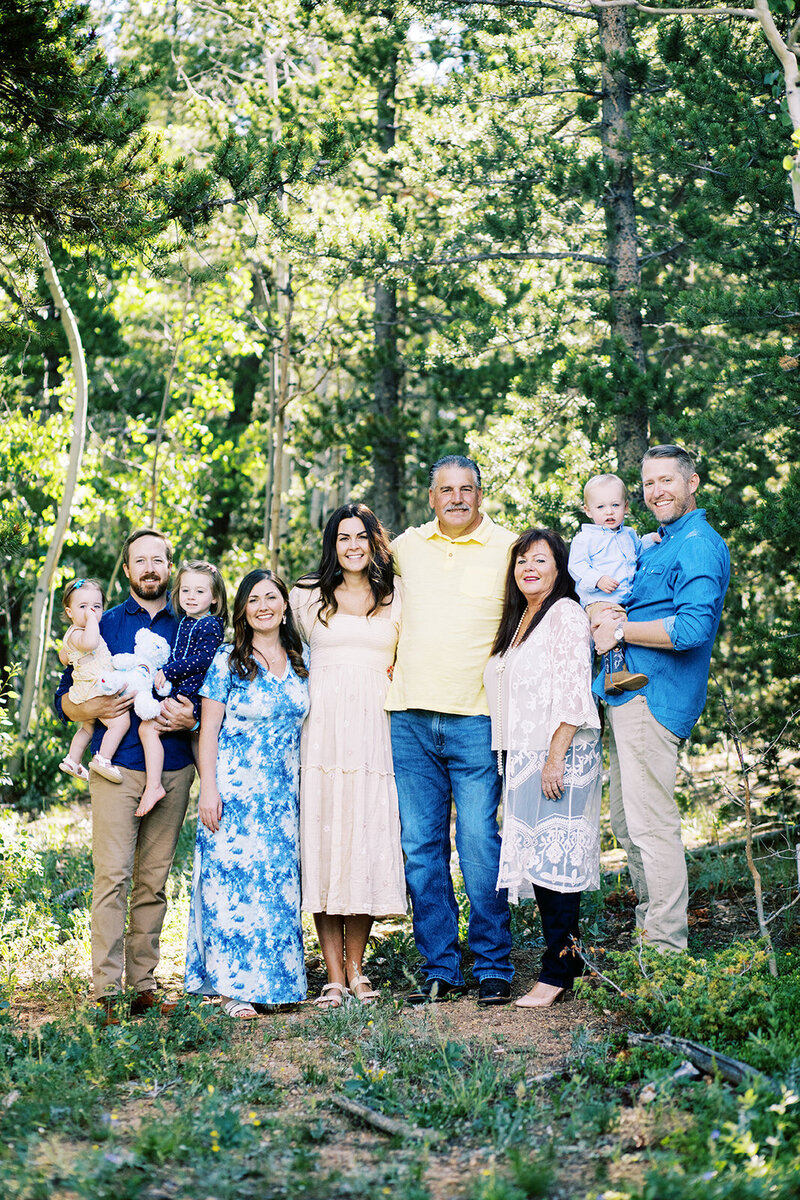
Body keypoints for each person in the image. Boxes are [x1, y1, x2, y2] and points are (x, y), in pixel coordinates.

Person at [387, 455, 516, 1006]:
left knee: (481, 844)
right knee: (421, 847)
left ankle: (493, 965)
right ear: (431, 498)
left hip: (478, 718)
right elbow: (343, 576)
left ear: (481, 495)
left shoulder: (509, 547)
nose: (457, 499)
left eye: (467, 489)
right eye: (446, 490)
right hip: (410, 716)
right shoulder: (406, 548)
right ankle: (441, 965)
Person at [592, 445, 730, 953]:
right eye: (648, 484)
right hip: (625, 695)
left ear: (692, 482)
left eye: (667, 480)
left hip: (654, 697)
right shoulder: (660, 543)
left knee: (651, 825)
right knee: (630, 825)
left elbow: (693, 627)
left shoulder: (698, 543)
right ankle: (650, 932)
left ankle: (667, 951)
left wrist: (622, 629)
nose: (656, 492)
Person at [55, 529, 196, 1025]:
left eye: (159, 559)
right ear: (128, 568)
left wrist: (192, 718)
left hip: (174, 769)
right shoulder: (103, 622)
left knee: (154, 884)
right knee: (112, 879)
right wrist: (86, 704)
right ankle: (107, 990)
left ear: (169, 565)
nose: (151, 568)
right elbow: (64, 697)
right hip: (115, 770)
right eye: (141, 560)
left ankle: (143, 985)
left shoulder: (191, 625)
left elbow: (210, 698)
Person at [291, 504, 406, 1009]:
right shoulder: (305, 596)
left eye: (362, 536)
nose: (353, 545)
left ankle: (359, 970)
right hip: (321, 736)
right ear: (332, 544)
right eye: (343, 537)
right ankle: (332, 976)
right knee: (326, 839)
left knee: (363, 839)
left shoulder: (397, 594)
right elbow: (285, 656)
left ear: (374, 541)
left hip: (375, 730)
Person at [185, 569, 309, 1020]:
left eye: (271, 597)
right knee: (232, 891)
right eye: (253, 599)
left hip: (283, 798)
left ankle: (278, 984)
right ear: (241, 610)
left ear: (284, 605)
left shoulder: (303, 659)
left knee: (277, 888)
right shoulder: (227, 661)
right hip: (235, 792)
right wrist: (209, 789)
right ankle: (234, 988)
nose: (263, 606)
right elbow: (207, 731)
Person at [485, 529, 602, 1008]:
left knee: (559, 863)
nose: (528, 568)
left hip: (561, 753)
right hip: (526, 754)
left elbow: (576, 690)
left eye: (540, 559)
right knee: (541, 862)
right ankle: (566, 963)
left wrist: (555, 757)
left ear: (560, 567)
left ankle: (556, 975)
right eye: (521, 561)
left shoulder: (565, 614)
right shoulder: (521, 620)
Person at [137, 560, 227, 817]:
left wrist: (167, 671)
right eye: (186, 590)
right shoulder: (187, 621)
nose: (191, 596)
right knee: (196, 739)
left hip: (195, 694)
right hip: (184, 690)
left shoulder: (210, 624)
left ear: (214, 599)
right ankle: (212, 791)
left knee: (148, 728)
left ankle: (155, 787)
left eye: (200, 591)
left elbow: (203, 660)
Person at [568, 473, 659, 693]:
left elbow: (637, 551)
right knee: (611, 625)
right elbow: (576, 566)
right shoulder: (586, 538)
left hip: (622, 601)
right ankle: (615, 674)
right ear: (588, 511)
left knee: (622, 628)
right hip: (599, 600)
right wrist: (597, 579)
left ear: (626, 507)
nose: (609, 512)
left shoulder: (628, 535)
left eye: (615, 505)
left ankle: (612, 678)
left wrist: (649, 540)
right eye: (600, 507)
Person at [57, 578, 129, 782]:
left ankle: (72, 759)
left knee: (87, 728)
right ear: (70, 612)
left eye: (97, 607)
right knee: (120, 722)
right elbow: (90, 644)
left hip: (85, 687)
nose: (91, 611)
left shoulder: (71, 636)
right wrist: (91, 621)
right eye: (83, 607)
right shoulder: (81, 633)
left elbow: (64, 657)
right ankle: (103, 759)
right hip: (95, 686)